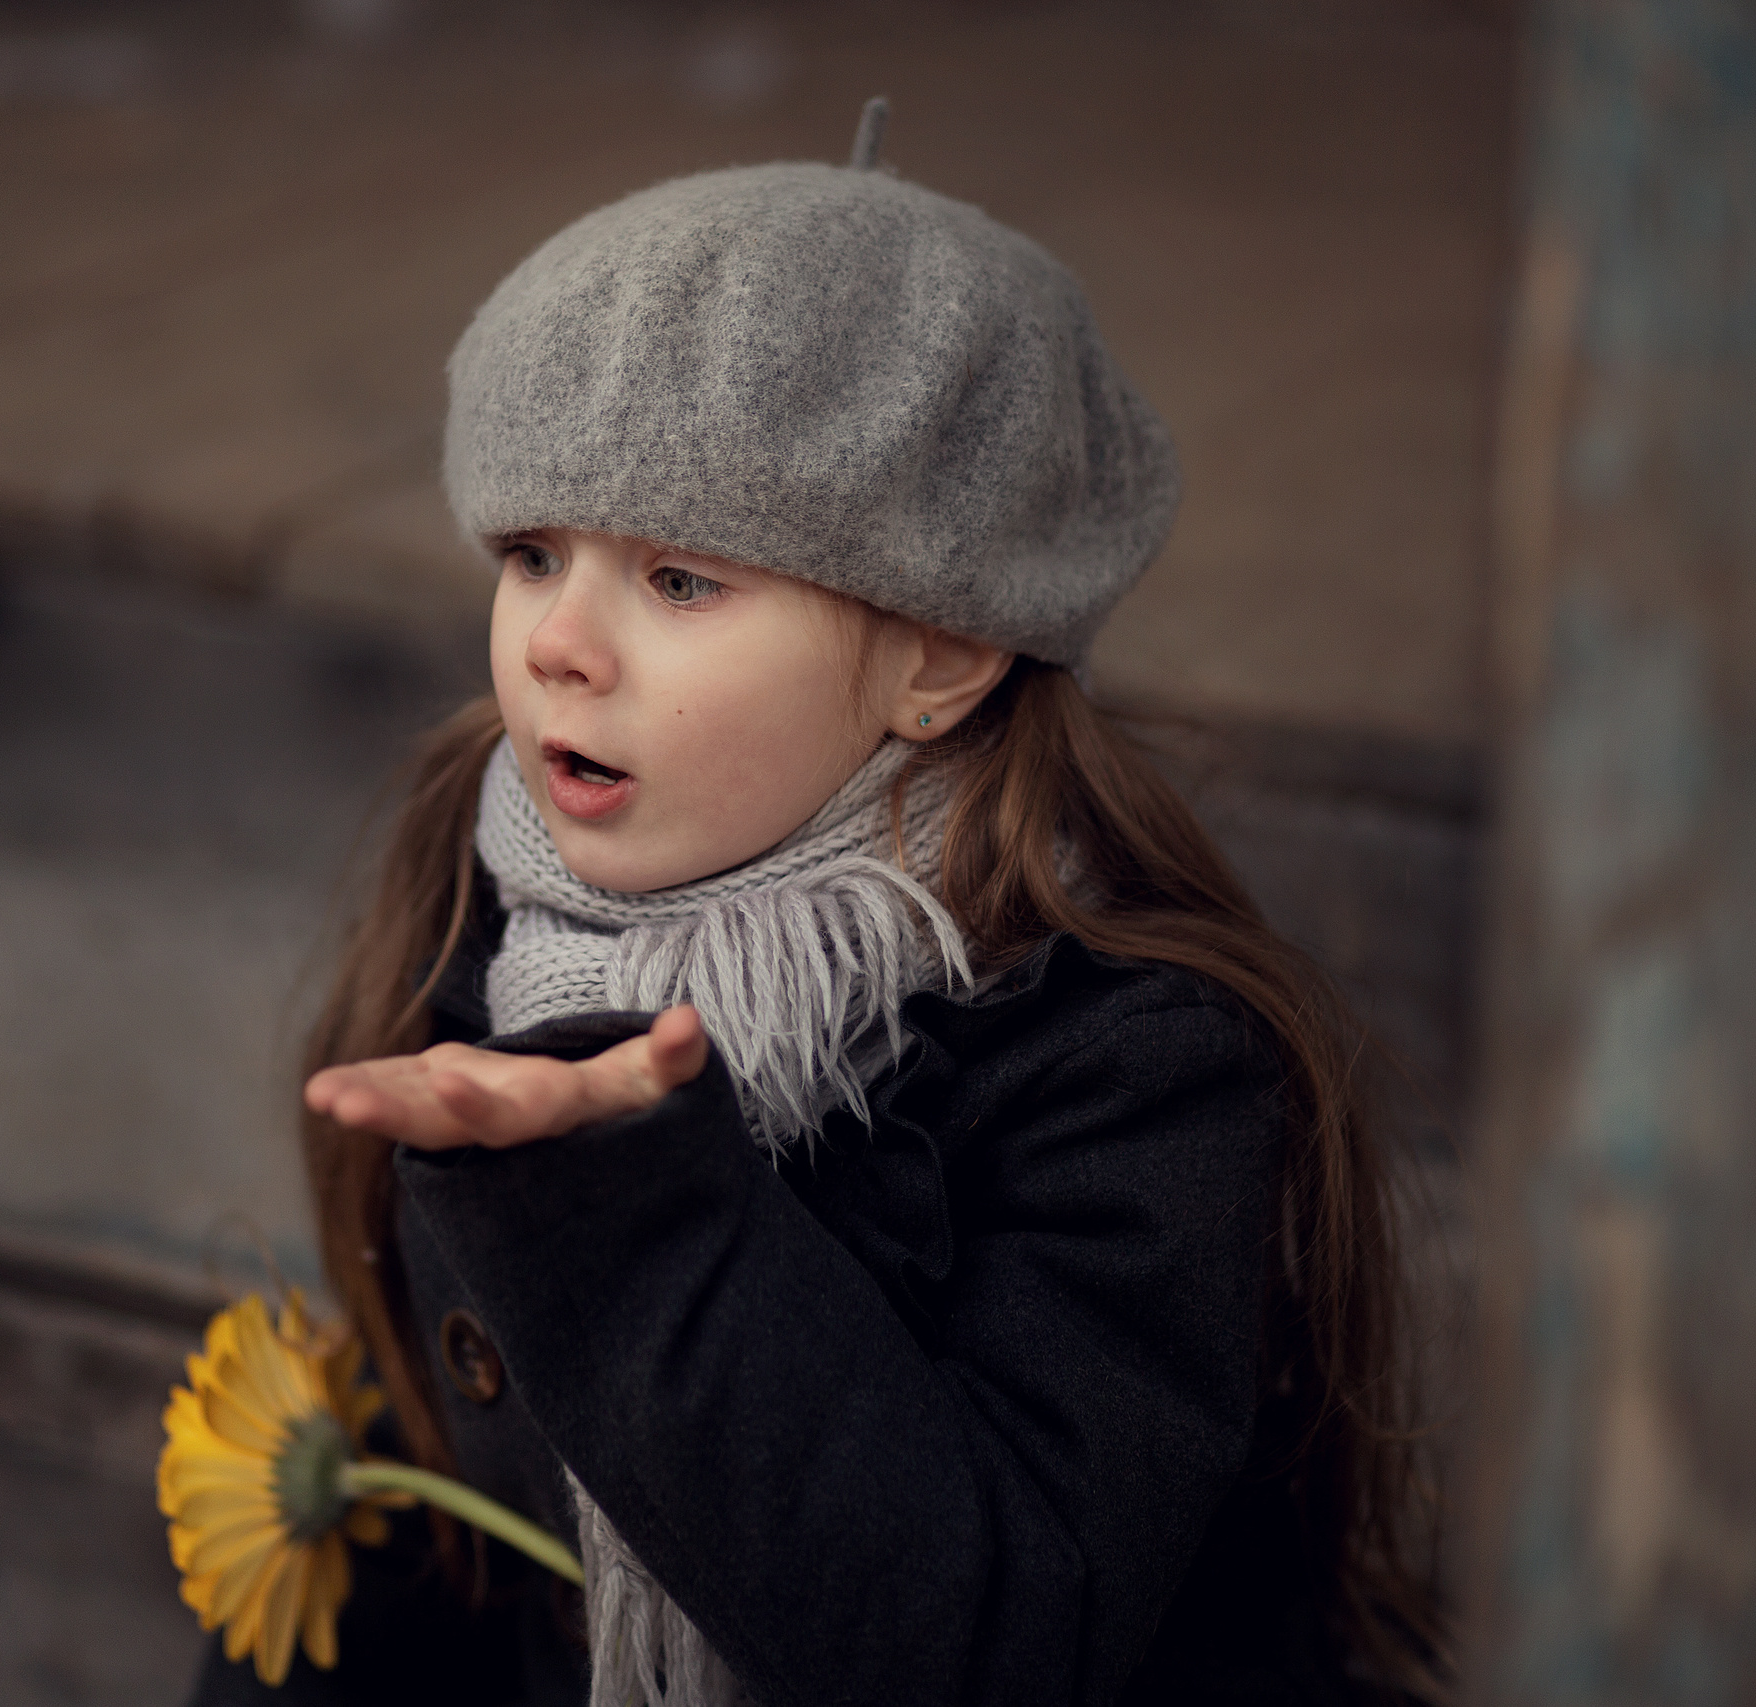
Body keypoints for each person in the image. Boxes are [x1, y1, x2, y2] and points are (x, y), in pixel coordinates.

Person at [187, 107, 1443, 1707]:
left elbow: (987, 1642)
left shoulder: (1140, 1072)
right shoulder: (490, 895)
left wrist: (625, 1212)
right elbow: (428, 1503)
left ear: (941, 655)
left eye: (682, 579)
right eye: (531, 551)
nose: (558, 643)